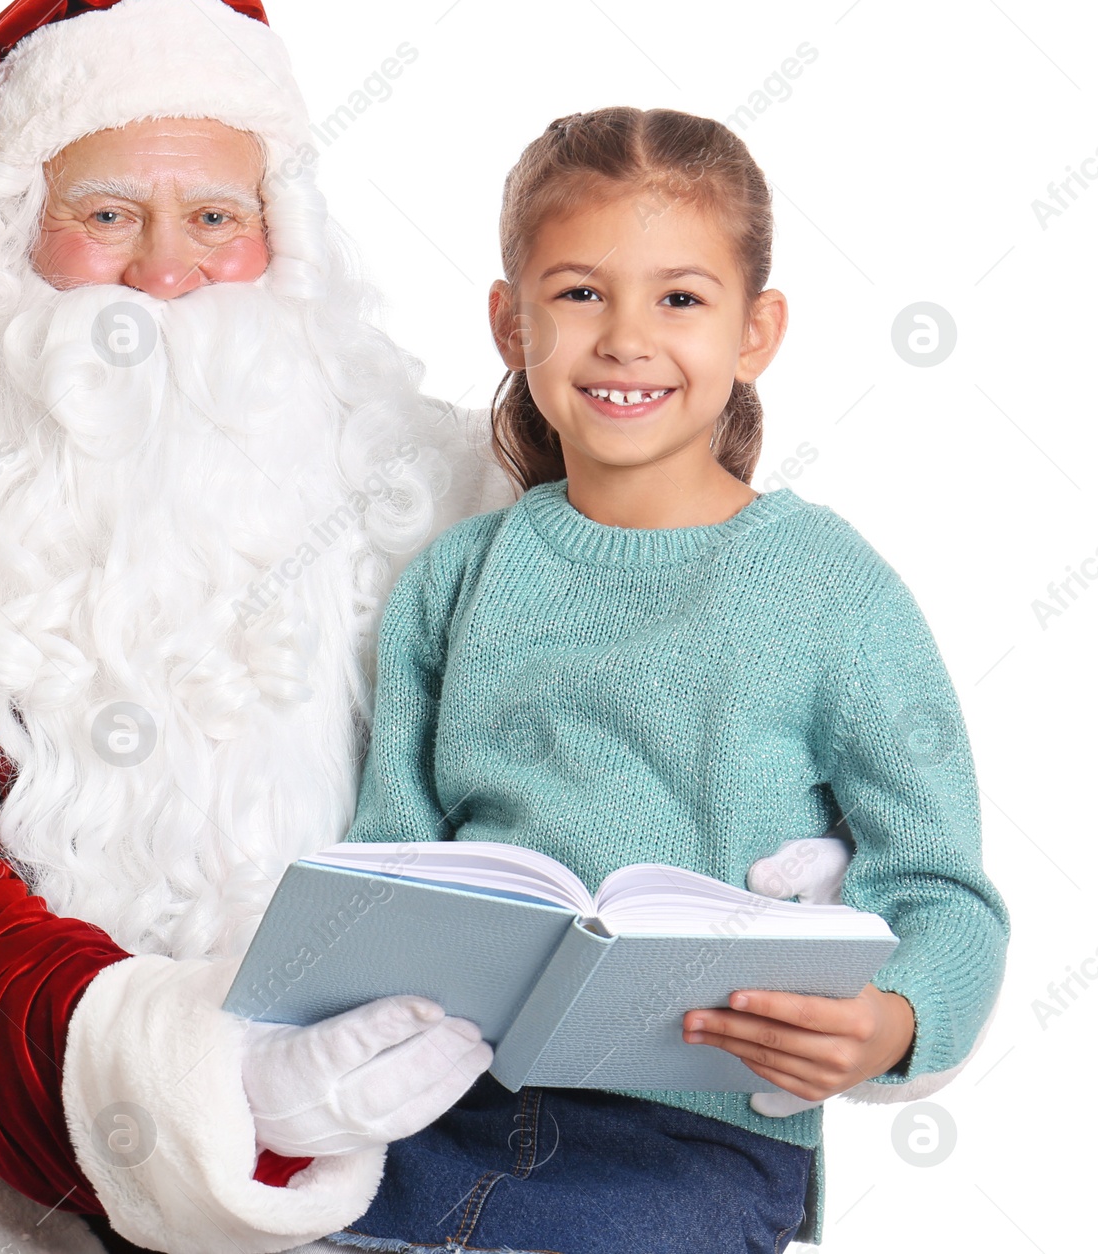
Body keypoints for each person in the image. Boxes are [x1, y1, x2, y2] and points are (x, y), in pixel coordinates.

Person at [0, 0, 850, 1254]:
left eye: (218, 216)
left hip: (457, 1110)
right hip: (24, 1135)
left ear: (284, 238)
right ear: (5, 241)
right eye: (106, 211)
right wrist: (216, 1090)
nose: (167, 273)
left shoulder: (454, 492)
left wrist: (752, 880)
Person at [337, 107, 1010, 1253]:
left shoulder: (827, 587)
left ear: (756, 331)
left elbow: (942, 885)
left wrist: (893, 1022)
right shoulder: (453, 581)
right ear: (511, 322)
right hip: (438, 1109)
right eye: (579, 293)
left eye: (680, 299)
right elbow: (387, 863)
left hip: (693, 1138)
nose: (625, 339)